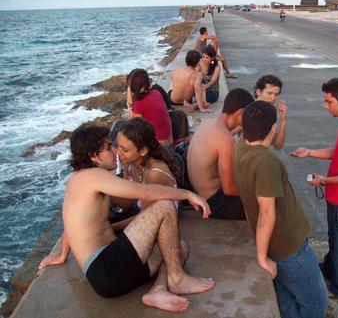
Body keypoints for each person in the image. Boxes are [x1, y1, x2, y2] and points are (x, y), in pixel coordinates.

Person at [38, 125, 214, 312]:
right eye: (108, 148)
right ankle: (177, 279)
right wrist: (187, 194)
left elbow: (71, 221)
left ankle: (159, 289)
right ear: (93, 156)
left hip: (112, 273)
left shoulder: (80, 179)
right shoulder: (93, 176)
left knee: (178, 247)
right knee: (163, 205)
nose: (115, 151)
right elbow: (146, 193)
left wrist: (62, 254)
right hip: (107, 268)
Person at [233, 101, 328, 318]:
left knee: (285, 301)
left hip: (276, 245)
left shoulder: (239, 146)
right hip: (289, 247)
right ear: (272, 128)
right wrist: (261, 256)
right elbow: (266, 212)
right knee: (315, 301)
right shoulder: (267, 162)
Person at [291, 77, 338, 299]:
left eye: (328, 101)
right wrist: (310, 152)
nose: (326, 106)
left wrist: (324, 180)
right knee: (335, 237)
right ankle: (329, 268)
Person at [187, 88, 254, 219]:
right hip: (213, 202)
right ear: (241, 112)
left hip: (198, 192)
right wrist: (253, 192)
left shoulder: (207, 123)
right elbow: (229, 188)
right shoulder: (225, 140)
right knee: (269, 202)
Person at [129, 69, 173, 146]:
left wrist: (131, 114)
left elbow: (137, 128)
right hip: (169, 139)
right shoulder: (156, 92)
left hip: (159, 145)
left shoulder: (139, 103)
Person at [254, 75, 287, 149]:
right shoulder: (249, 112)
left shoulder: (270, 111)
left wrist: (284, 120)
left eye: (276, 94)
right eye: (269, 93)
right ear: (258, 92)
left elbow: (278, 145)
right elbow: (255, 149)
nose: (273, 98)